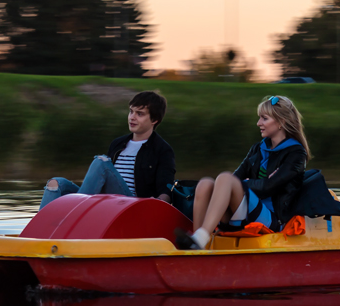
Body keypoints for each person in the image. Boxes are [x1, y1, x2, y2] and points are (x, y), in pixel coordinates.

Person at [176, 95, 310, 250]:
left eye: (264, 119)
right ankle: (197, 243)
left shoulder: (296, 153)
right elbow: (236, 178)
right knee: (205, 184)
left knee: (225, 178)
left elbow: (270, 186)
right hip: (248, 210)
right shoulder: (258, 149)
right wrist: (233, 187)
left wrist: (243, 184)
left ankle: (201, 238)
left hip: (273, 219)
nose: (258, 123)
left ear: (281, 122)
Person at [39, 91, 176, 210]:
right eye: (131, 111)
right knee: (56, 183)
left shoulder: (162, 150)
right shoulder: (118, 144)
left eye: (139, 114)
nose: (132, 117)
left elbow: (166, 191)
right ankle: (39, 233)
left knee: (101, 163)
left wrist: (156, 204)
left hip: (132, 206)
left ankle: (77, 214)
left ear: (155, 120)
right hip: (107, 202)